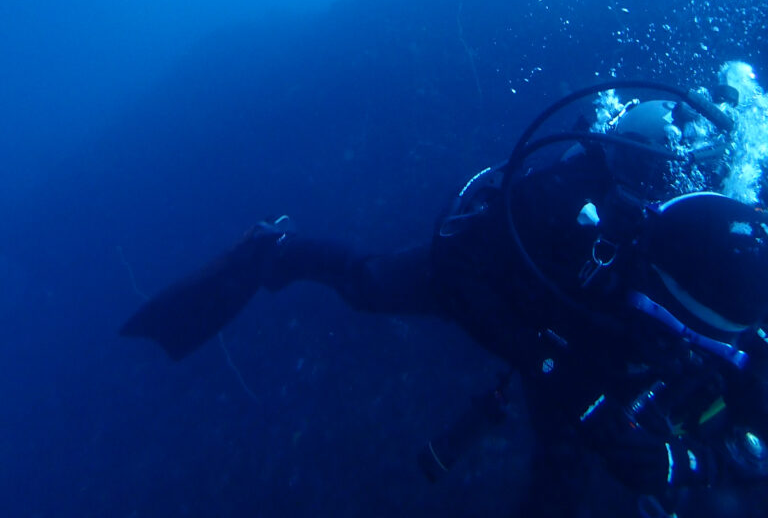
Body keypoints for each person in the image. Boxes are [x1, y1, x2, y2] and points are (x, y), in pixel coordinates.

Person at [121, 76, 768, 517]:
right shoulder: (560, 206)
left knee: (562, 480)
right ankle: (274, 250)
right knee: (369, 285)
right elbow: (464, 274)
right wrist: (550, 367)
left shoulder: (713, 238)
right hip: (493, 275)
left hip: (576, 333)